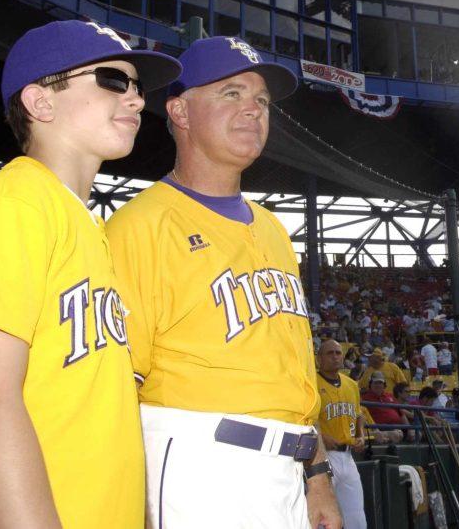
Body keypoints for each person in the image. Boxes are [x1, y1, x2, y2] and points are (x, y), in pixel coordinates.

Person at [0, 19, 180, 528]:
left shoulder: (84, 225)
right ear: (40, 102)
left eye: (138, 87)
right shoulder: (13, 206)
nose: (137, 99)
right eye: (112, 81)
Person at [107, 36, 340, 528]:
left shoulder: (273, 227)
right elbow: (113, 388)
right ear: (181, 112)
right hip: (197, 466)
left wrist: (318, 476)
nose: (253, 110)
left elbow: (293, 373)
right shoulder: (140, 226)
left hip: (287, 470)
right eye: (231, 93)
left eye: (261, 100)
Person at [317, 339, 368, 529]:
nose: (335, 357)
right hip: (322, 456)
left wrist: (361, 435)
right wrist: (320, 437)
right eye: (329, 353)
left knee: (356, 517)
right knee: (324, 518)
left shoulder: (351, 384)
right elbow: (304, 419)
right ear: (319, 359)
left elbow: (358, 414)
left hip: (348, 456)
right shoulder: (311, 383)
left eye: (338, 353)